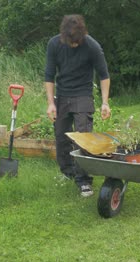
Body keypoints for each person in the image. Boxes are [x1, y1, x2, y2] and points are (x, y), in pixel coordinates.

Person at [44, 14, 111, 197]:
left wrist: (105, 103)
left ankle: (84, 181)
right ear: (64, 36)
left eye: (77, 41)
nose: (74, 44)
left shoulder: (92, 46)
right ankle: (68, 173)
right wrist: (51, 103)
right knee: (61, 137)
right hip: (63, 95)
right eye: (70, 41)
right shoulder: (54, 44)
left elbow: (104, 75)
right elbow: (49, 76)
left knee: (82, 137)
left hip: (83, 95)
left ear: (82, 35)